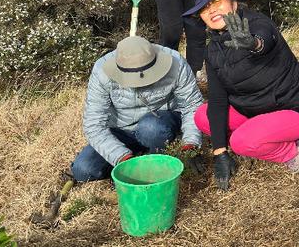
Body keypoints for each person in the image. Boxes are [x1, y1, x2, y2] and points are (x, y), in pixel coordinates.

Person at [184, 0, 299, 190]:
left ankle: (291, 150)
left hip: (293, 108)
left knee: (241, 142)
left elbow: (263, 41)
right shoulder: (212, 50)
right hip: (254, 109)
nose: (211, 10)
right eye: (204, 7)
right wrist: (219, 151)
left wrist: (253, 43)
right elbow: (219, 100)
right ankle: (256, 134)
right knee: (202, 116)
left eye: (217, 1)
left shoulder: (258, 23)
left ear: (234, 3)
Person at [71, 35, 205, 182]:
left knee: (151, 128)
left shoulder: (176, 62)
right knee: (83, 170)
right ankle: (136, 154)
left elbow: (192, 105)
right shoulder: (101, 71)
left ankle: (161, 149)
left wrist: (191, 145)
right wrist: (123, 159)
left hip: (159, 123)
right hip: (121, 130)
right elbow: (94, 125)